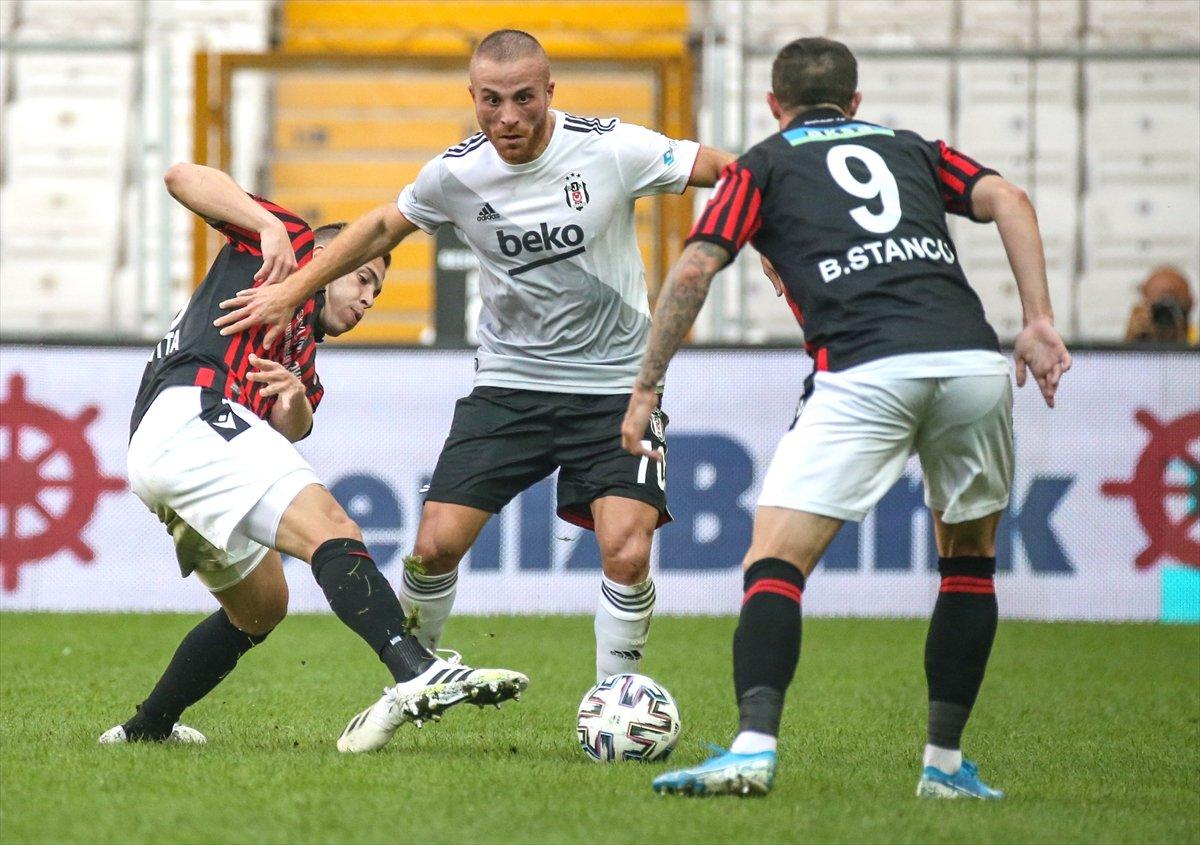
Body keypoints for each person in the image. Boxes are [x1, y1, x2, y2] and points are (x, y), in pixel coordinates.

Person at [213, 27, 735, 747]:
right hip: (511, 387)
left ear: (550, 92)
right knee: (433, 545)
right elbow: (376, 229)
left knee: (627, 548)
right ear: (474, 99)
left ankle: (612, 697)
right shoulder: (455, 174)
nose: (509, 117)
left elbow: (728, 172)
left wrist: (765, 238)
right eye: (492, 101)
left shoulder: (613, 148)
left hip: (615, 385)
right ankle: (408, 684)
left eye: (524, 98)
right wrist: (293, 290)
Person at [621, 37, 1072, 799]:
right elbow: (1010, 200)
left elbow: (697, 265)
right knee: (967, 562)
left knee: (775, 561)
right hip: (970, 361)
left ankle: (753, 748)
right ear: (853, 102)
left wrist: (645, 386)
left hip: (864, 367)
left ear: (774, 104)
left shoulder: (760, 164)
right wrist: (1037, 319)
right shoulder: (910, 148)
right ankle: (945, 767)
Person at [101, 163, 526, 754]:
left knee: (262, 608)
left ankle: (146, 729)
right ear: (334, 259)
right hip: (191, 414)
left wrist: (295, 397)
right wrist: (267, 226)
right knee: (332, 527)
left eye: (376, 292)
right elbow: (179, 176)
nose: (369, 299)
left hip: (171, 447)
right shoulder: (290, 246)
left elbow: (291, 429)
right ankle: (416, 670)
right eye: (365, 279)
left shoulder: (305, 357)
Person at [1123, 265, 1196, 344]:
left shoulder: (1196, 341)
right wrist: (1130, 343)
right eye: (1158, 305)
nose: (1165, 311)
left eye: (1173, 301)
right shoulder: (1139, 336)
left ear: (1191, 303)